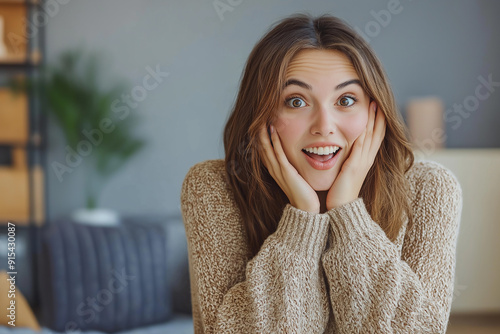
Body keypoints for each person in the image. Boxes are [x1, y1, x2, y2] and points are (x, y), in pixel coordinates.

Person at [180, 12, 462, 334]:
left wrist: (348, 215)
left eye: (345, 99)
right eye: (296, 101)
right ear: (260, 115)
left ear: (374, 112)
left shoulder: (429, 189)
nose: (324, 127)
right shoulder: (214, 188)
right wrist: (302, 223)